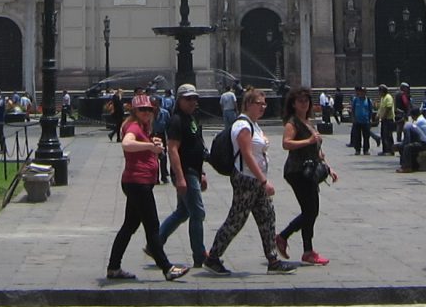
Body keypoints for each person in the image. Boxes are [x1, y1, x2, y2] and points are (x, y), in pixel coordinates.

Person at [206, 87, 297, 274]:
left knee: (267, 216)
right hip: (246, 179)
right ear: (248, 104)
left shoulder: (253, 124)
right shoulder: (242, 125)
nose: (263, 107)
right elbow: (247, 156)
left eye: (265, 104)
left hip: (255, 179)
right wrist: (263, 181)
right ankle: (213, 257)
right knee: (236, 219)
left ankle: (273, 260)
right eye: (259, 103)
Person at [108, 95, 187, 281]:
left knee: (129, 226)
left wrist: (152, 145)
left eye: (150, 109)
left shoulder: (142, 127)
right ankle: (167, 268)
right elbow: (127, 143)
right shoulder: (134, 126)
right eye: (142, 109)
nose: (147, 113)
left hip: (137, 182)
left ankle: (113, 267)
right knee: (152, 227)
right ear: (134, 111)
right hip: (138, 183)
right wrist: (151, 147)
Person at [276, 86, 335, 265]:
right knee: (310, 211)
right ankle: (289, 240)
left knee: (311, 211)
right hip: (297, 171)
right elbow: (286, 143)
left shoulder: (308, 122)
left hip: (309, 171)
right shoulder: (292, 123)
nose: (304, 104)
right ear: (293, 104)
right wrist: (308, 141)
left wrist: (328, 168)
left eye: (306, 100)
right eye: (300, 101)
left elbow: (316, 150)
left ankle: (303, 248)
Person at [156, 82, 208, 268]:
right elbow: (172, 149)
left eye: (195, 98)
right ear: (179, 100)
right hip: (185, 172)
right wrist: (179, 177)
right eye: (188, 99)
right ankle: (199, 254)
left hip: (194, 170)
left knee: (183, 211)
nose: (193, 102)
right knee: (197, 212)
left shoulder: (192, 118)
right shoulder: (176, 120)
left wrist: (202, 172)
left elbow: (197, 146)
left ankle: (156, 243)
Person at [348, 86, 374, 155]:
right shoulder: (355, 100)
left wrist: (370, 119)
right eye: (361, 91)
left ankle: (366, 150)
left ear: (365, 92)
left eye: (364, 92)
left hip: (366, 121)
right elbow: (352, 110)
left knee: (366, 137)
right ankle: (357, 150)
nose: (362, 93)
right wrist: (353, 118)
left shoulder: (368, 100)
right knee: (357, 136)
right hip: (357, 121)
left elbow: (371, 111)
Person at [377, 85, 398, 156]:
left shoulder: (388, 97)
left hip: (388, 119)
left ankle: (390, 151)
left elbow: (388, 108)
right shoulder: (383, 98)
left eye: (380, 91)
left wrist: (384, 116)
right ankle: (385, 150)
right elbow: (381, 108)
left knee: (388, 136)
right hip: (384, 120)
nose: (379, 93)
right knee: (383, 135)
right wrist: (378, 115)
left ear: (383, 91)